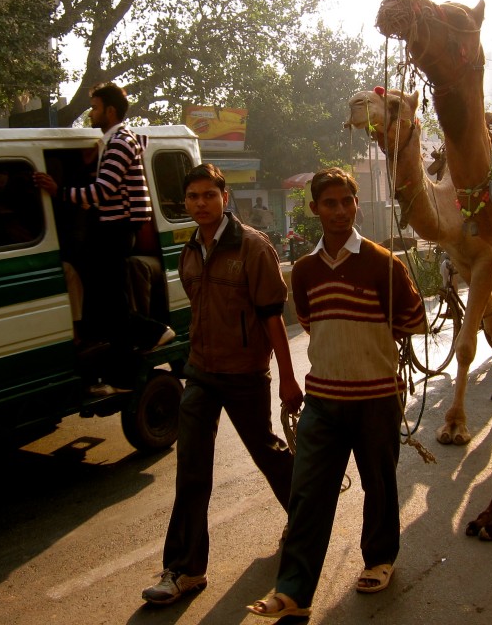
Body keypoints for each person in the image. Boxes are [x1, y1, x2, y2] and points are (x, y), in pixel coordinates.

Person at [246, 167, 425, 619]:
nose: (340, 211)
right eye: (330, 203)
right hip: (323, 401)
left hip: (377, 397)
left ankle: (380, 559)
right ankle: (293, 593)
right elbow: (309, 322)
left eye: (347, 201)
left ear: (356, 205)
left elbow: (414, 320)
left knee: (379, 485)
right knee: (308, 493)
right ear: (315, 210)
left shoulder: (384, 263)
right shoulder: (304, 271)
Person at [141, 163, 303, 606]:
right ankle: (185, 569)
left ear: (224, 198)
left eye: (208, 195)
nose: (200, 203)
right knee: (191, 468)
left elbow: (273, 317)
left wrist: (288, 378)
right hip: (202, 372)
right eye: (192, 197)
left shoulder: (253, 247)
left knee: (267, 451)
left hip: (246, 374)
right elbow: (200, 310)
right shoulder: (189, 250)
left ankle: (305, 518)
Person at [34, 82, 173, 357]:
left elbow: (102, 191)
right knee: (107, 294)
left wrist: (58, 191)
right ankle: (123, 346)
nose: (91, 114)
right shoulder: (115, 141)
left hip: (117, 228)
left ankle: (154, 332)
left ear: (110, 111)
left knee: (111, 298)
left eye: (95, 108)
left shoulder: (120, 142)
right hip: (114, 227)